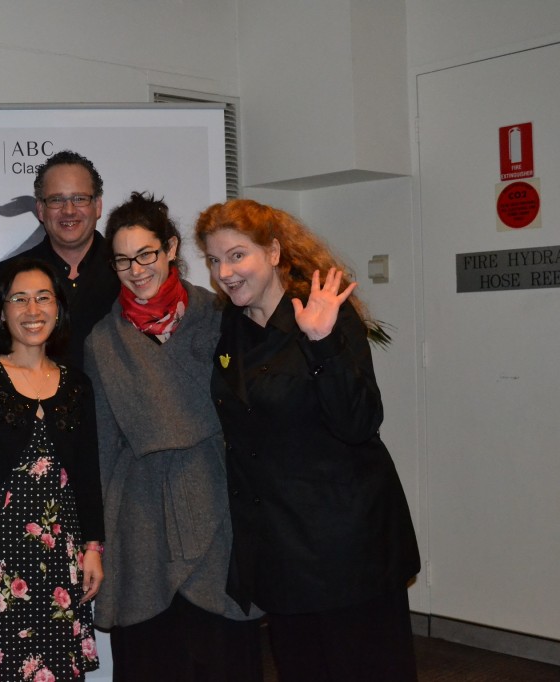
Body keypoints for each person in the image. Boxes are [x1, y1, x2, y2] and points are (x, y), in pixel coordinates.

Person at [194, 199, 421, 682]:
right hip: (280, 551)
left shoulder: (323, 315)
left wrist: (321, 343)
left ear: (274, 251)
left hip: (346, 551)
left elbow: (359, 422)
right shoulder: (229, 328)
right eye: (214, 261)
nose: (225, 272)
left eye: (237, 255)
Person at [83, 192, 264, 681]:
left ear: (170, 248)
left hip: (219, 499)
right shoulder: (102, 340)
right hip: (141, 515)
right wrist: (93, 541)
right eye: (122, 260)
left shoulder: (222, 316)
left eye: (146, 254)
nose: (136, 270)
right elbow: (98, 446)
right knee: (151, 656)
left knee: (224, 653)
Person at [0, 258, 105, 681]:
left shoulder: (76, 385)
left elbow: (88, 474)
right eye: (19, 299)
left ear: (59, 308)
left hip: (58, 558)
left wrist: (92, 548)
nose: (32, 311)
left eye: (43, 298)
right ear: (1, 311)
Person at [0, 151, 118, 368]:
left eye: (79, 199)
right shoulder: (5, 277)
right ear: (40, 209)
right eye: (56, 200)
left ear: (98, 206)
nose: (68, 210)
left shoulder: (129, 271)